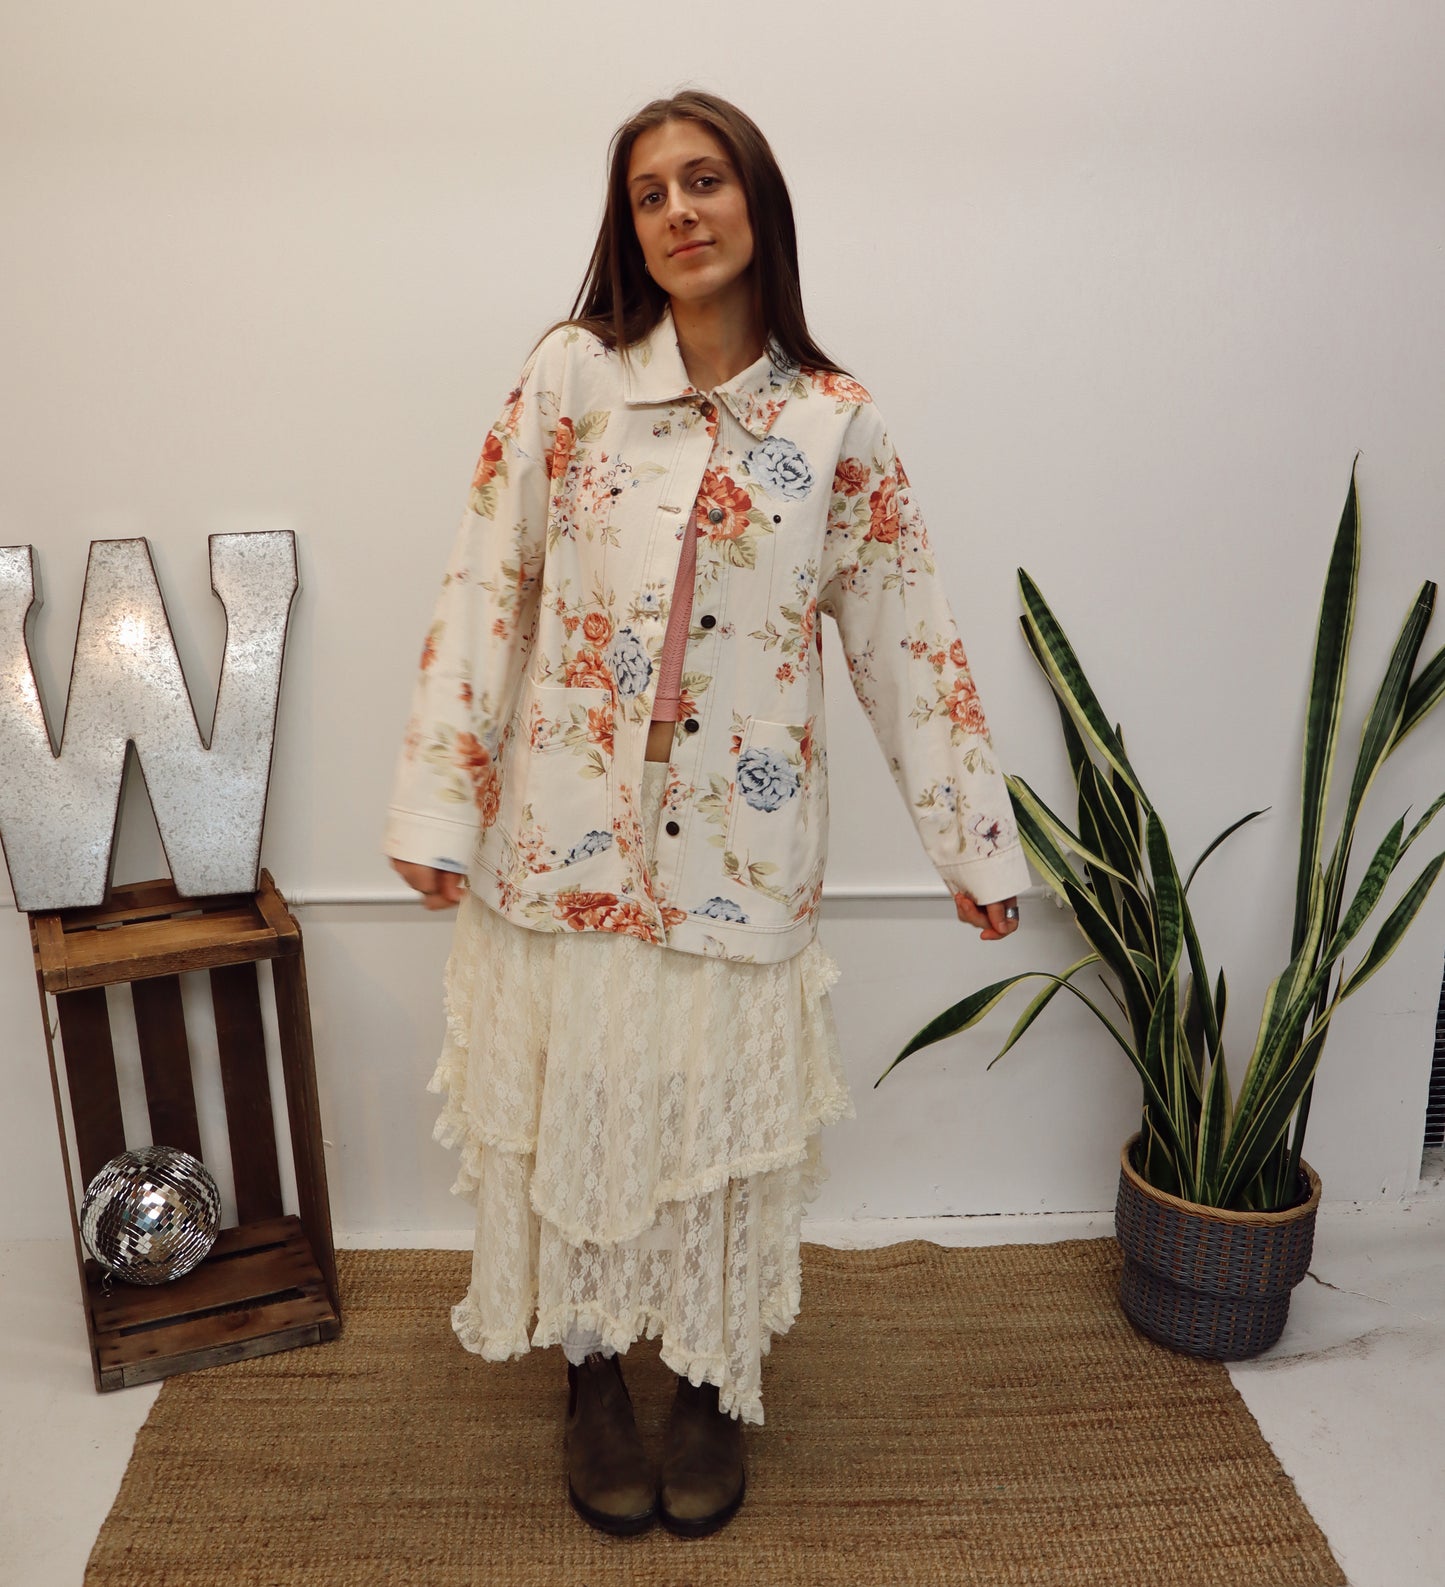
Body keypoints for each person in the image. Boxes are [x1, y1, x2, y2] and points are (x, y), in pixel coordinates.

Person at [383, 89, 1027, 1540]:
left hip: (741, 859)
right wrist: (440, 799)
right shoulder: (571, 380)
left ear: (757, 204)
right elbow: (489, 587)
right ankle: (593, 1376)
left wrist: (970, 844)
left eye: (705, 180)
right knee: (586, 1114)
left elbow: (906, 645)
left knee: (712, 1133)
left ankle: (709, 1381)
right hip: (568, 839)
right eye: (649, 193)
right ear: (627, 230)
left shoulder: (833, 422)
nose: (678, 211)